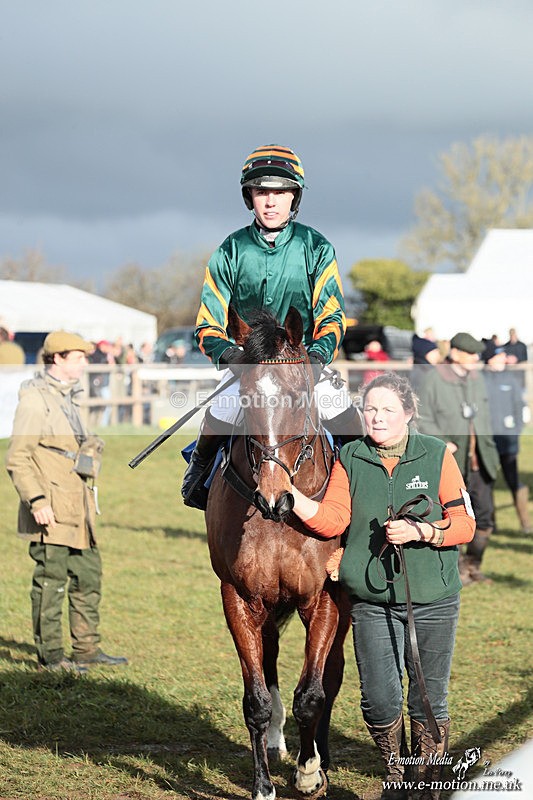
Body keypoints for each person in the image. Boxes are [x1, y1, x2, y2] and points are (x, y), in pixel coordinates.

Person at [290, 372, 475, 800]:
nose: (377, 417)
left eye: (388, 409)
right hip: (371, 600)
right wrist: (294, 498)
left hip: (433, 598)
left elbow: (465, 523)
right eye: (370, 409)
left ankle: (424, 781)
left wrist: (423, 532)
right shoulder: (350, 456)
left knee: (428, 696)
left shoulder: (435, 455)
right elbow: (334, 518)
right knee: (378, 698)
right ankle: (396, 774)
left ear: (408, 413)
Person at [181, 143, 360, 509]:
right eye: (262, 191)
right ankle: (198, 474)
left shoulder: (317, 247)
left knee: (345, 415)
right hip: (249, 364)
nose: (271, 201)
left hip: (302, 362)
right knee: (220, 411)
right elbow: (207, 324)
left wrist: (316, 356)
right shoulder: (229, 250)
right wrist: (231, 353)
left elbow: (332, 315)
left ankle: (364, 483)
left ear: (294, 197)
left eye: (281, 192)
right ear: (250, 197)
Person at [5, 330, 127, 673]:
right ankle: (52, 658)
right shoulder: (35, 400)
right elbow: (18, 458)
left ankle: (86, 649)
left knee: (88, 577)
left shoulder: (69, 397)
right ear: (57, 359)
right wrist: (37, 500)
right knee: (51, 582)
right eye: (77, 357)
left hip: (79, 507)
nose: (84, 363)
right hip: (51, 509)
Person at [417, 332, 500, 584]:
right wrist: (442, 442)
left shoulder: (477, 379)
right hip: (451, 459)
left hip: (480, 458)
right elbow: (422, 416)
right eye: (471, 353)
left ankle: (474, 565)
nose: (476, 358)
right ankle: (459, 567)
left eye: (477, 354)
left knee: (484, 514)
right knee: (454, 513)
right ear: (455, 353)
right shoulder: (433, 379)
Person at [483, 341, 531, 532]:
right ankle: (490, 523)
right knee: (487, 482)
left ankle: (525, 523)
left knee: (513, 480)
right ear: (489, 360)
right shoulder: (481, 380)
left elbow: (519, 407)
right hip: (488, 441)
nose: (503, 359)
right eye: (498, 356)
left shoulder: (510, 379)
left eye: (503, 356)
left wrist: (516, 431)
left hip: (508, 441)